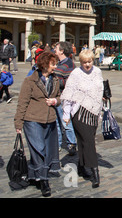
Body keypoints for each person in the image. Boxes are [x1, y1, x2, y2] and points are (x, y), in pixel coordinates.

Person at [14, 51, 61, 197]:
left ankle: (36, 174)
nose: (55, 67)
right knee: (38, 148)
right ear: (45, 64)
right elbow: (22, 102)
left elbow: (59, 97)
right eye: (53, 64)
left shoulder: (55, 79)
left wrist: (55, 101)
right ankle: (43, 181)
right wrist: (18, 122)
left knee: (47, 149)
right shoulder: (30, 81)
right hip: (32, 119)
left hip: (50, 119)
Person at [61, 49, 104, 189]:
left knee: (84, 141)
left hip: (94, 112)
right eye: (84, 62)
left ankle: (81, 165)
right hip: (79, 113)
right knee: (89, 142)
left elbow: (99, 89)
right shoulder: (75, 74)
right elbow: (68, 95)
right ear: (80, 61)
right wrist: (66, 115)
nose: (87, 65)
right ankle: (94, 172)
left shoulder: (97, 71)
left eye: (90, 61)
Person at [54, 41, 77, 156]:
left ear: (62, 51)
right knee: (57, 122)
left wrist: (55, 82)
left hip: (64, 97)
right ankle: (57, 144)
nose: (55, 50)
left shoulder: (69, 64)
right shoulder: (58, 63)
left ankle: (72, 143)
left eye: (56, 48)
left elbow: (70, 83)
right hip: (57, 97)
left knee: (65, 122)